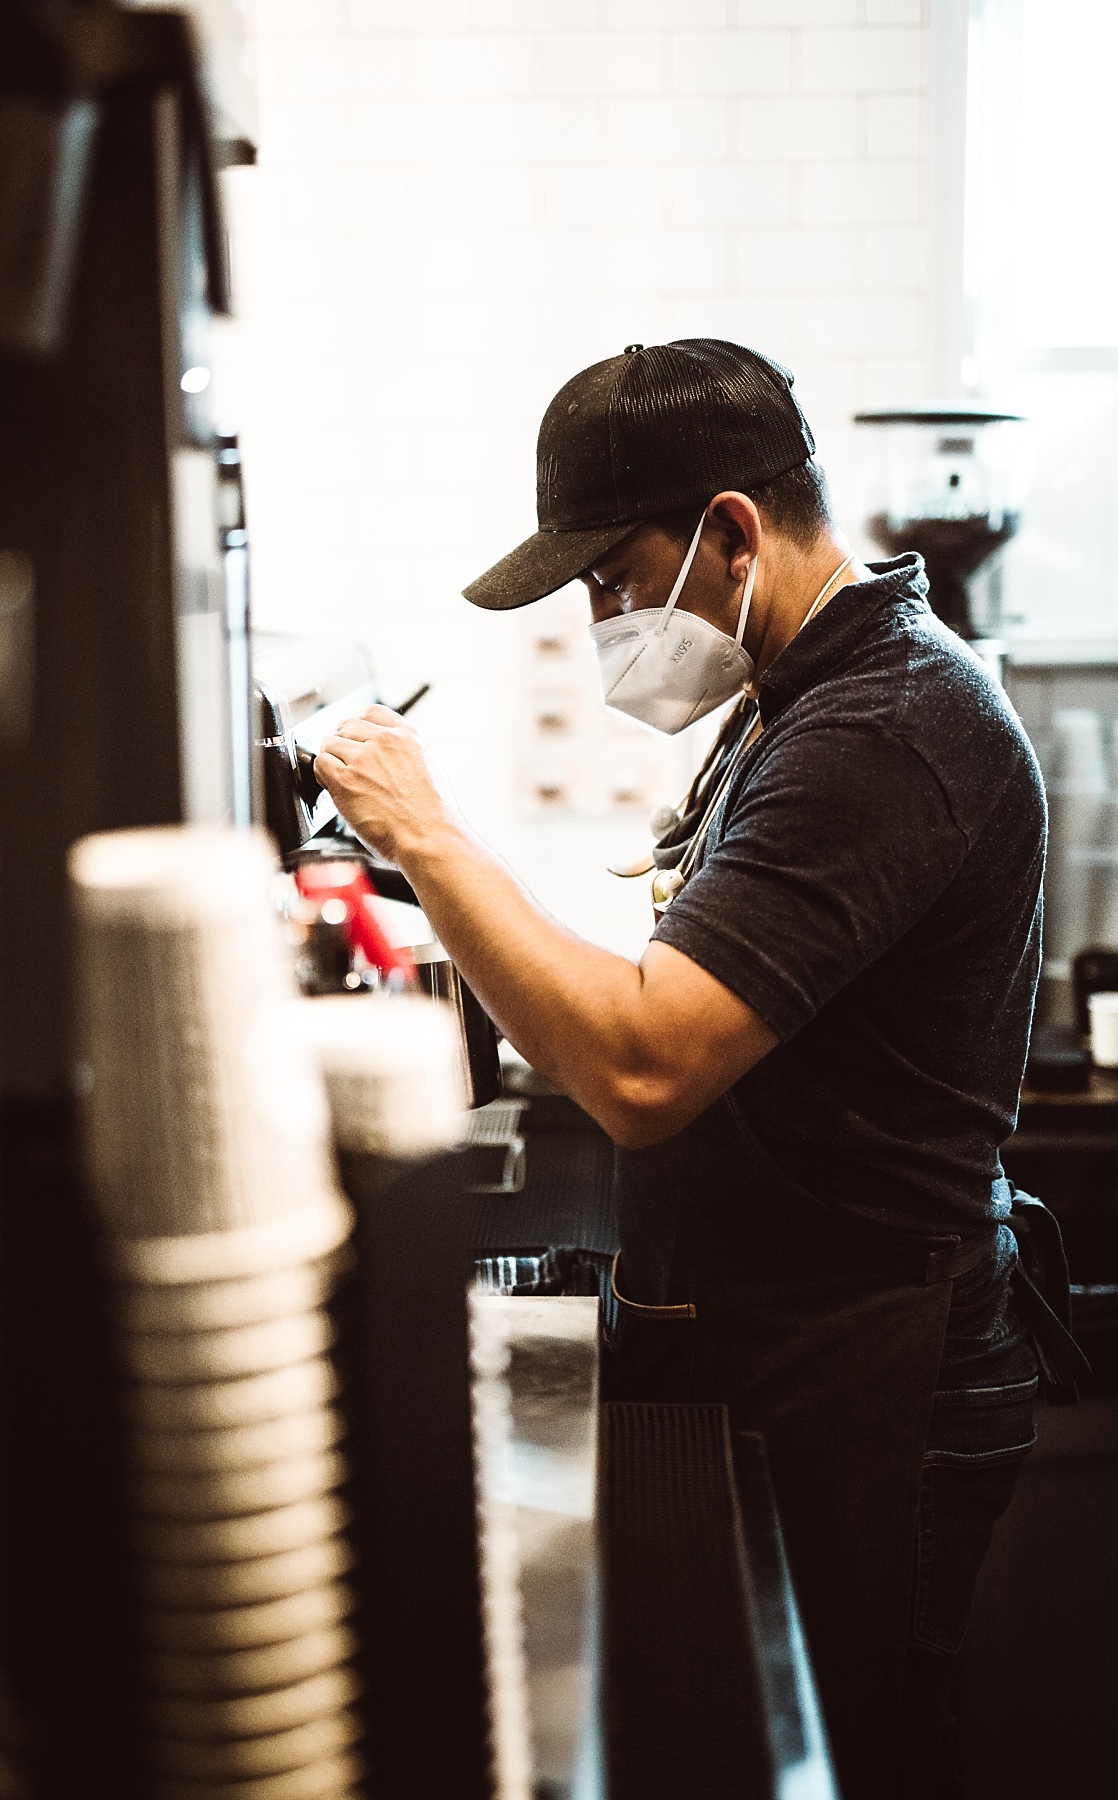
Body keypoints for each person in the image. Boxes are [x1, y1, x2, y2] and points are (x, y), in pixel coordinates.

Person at [316, 339, 1045, 1799]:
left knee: (844, 1748)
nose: (600, 621)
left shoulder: (885, 728)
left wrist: (430, 837)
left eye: (609, 578)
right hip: (793, 1317)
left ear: (730, 532)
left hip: (869, 1355)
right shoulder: (799, 700)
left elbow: (649, 1068)